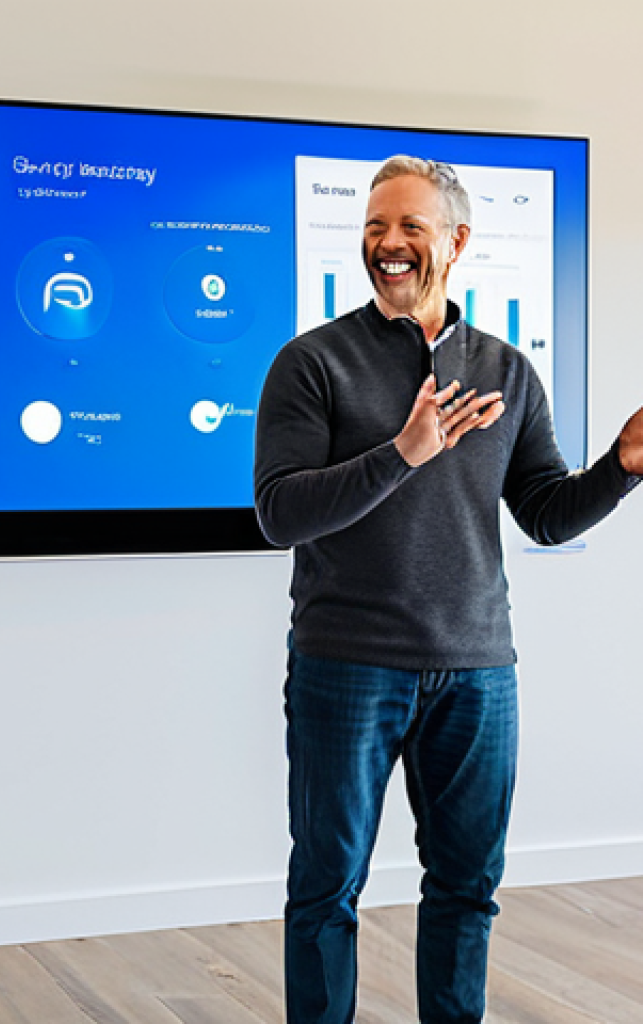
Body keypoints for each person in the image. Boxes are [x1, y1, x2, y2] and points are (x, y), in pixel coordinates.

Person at [254, 156, 643, 1024]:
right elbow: (279, 513)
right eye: (373, 228)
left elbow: (543, 513)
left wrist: (620, 470)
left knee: (467, 890)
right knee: (326, 889)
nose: (387, 246)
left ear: (457, 242)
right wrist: (402, 453)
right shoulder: (311, 364)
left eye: (409, 229)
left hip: (477, 672)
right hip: (345, 667)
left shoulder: (505, 371)